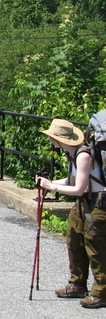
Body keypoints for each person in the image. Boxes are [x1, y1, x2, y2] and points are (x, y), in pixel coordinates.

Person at [36, 118, 106, 309]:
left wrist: (51, 186)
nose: (51, 141)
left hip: (97, 204)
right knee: (74, 239)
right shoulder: (73, 153)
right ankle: (77, 284)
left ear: (59, 139)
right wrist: (49, 182)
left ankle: (101, 293)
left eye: (52, 138)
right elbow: (73, 180)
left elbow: (79, 188)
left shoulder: (83, 155)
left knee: (95, 246)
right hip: (84, 202)